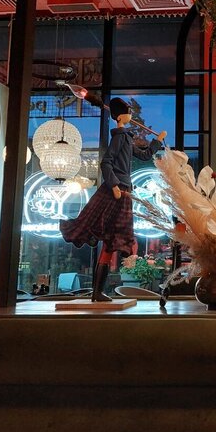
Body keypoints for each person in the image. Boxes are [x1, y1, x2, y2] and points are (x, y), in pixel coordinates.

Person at [60, 97, 167, 302]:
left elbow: (144, 155)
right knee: (110, 239)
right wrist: (115, 185)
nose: (131, 115)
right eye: (128, 112)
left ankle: (97, 293)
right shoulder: (119, 138)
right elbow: (106, 162)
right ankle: (97, 292)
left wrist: (157, 141)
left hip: (122, 191)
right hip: (116, 191)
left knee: (111, 241)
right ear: (120, 117)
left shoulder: (125, 137)